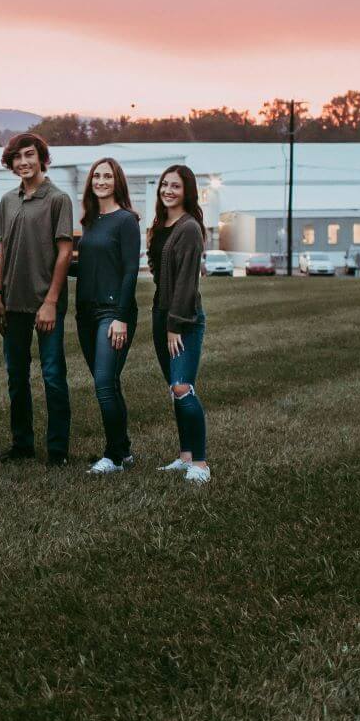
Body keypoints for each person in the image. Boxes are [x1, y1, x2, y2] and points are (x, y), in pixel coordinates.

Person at [0, 132, 75, 465]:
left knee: (53, 376)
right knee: (16, 377)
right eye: (17, 157)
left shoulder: (58, 199)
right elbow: (0, 250)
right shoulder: (8, 201)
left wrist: (51, 301)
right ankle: (22, 444)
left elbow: (65, 251)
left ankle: (57, 450)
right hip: (12, 302)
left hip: (45, 303)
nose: (24, 162)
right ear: (11, 163)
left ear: (42, 158)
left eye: (30, 155)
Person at [74, 157, 142, 475]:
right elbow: (86, 266)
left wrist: (120, 316)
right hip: (85, 313)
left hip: (111, 313)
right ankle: (124, 450)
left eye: (107, 176)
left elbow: (130, 270)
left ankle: (112, 457)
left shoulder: (126, 220)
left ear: (117, 182)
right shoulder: (90, 221)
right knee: (109, 383)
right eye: (96, 176)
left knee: (103, 383)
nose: (101, 181)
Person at [148, 163, 212, 484]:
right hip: (162, 315)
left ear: (187, 191)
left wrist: (175, 324)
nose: (168, 191)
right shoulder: (162, 224)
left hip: (183, 319)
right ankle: (185, 456)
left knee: (183, 386)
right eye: (164, 185)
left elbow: (188, 282)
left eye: (175, 186)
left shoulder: (188, 228)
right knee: (174, 390)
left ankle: (200, 463)